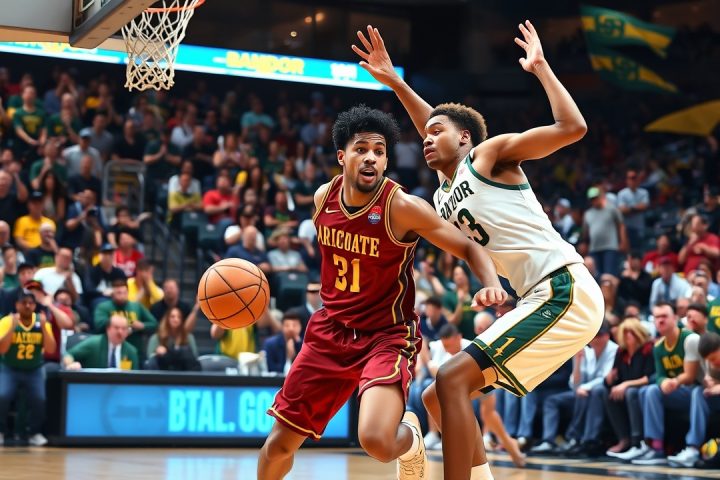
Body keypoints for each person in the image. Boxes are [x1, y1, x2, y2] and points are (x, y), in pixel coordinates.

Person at [353, 22, 603, 479]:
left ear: (466, 137)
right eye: (424, 136)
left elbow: (573, 127)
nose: (426, 139)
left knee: (451, 378)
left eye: (437, 133)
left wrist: (541, 69)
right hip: (537, 297)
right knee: (436, 397)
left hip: (564, 289)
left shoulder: (487, 156)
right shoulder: (445, 191)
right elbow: (435, 122)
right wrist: (395, 82)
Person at [257, 106, 506, 480]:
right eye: (361, 149)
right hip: (330, 332)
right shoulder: (323, 198)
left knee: (375, 439)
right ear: (342, 157)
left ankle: (411, 440)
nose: (371, 157)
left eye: (379, 150)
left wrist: (491, 283)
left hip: (386, 335)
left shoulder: (402, 207)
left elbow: (469, 247)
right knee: (277, 446)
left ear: (387, 161)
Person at [630, 302, 701, 465]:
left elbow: (690, 377)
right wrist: (663, 382)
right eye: (657, 317)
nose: (660, 320)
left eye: (664, 316)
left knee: (650, 391)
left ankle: (656, 447)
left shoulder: (688, 338)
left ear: (675, 318)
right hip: (675, 391)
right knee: (646, 391)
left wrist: (673, 381)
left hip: (693, 390)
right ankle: (651, 445)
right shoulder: (658, 347)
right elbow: (660, 375)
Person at [0, 289, 56, 446]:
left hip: (34, 369)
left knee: (40, 399)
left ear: (35, 306)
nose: (27, 306)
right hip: (10, 368)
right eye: (24, 302)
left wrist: (44, 328)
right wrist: (12, 328)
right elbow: (2, 349)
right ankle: (1, 431)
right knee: (2, 396)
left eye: (31, 303)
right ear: (17, 305)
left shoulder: (42, 322)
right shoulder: (7, 321)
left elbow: (51, 349)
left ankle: (34, 432)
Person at [666, 332, 720, 467]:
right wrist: (710, 383)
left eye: (714, 358)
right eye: (709, 360)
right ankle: (693, 448)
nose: (713, 363)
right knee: (698, 392)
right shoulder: (712, 364)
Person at [63, 313, 139, 370]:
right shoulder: (94, 343)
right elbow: (68, 354)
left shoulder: (131, 351)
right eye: (116, 328)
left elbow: (135, 377)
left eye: (124, 329)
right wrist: (71, 364)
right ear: (108, 329)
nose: (120, 332)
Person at [145, 307, 198, 371]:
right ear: (167, 319)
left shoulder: (189, 337)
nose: (176, 319)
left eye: (179, 317)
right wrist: (157, 353)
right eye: (172, 317)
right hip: (163, 371)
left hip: (184, 371)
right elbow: (150, 358)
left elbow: (194, 356)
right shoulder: (156, 337)